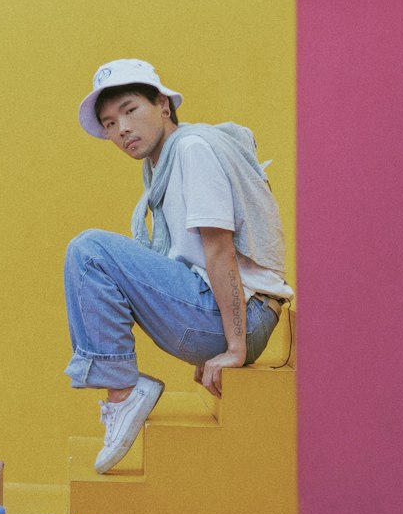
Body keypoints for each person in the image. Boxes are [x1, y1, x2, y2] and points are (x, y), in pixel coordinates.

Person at [64, 58, 294, 473]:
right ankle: (123, 389)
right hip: (221, 312)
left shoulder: (191, 150)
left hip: (245, 314)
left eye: (130, 110)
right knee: (95, 259)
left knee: (89, 250)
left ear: (163, 105)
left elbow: (219, 249)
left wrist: (235, 349)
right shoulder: (160, 168)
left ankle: (122, 392)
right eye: (110, 123)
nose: (122, 130)